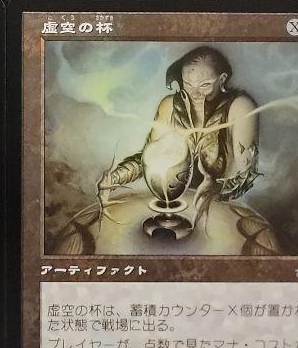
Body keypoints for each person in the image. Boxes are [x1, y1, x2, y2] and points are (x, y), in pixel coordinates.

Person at [97, 46, 263, 229]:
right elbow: (149, 159)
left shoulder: (240, 107)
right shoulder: (170, 106)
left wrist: (217, 188)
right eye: (188, 84)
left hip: (222, 213)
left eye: (205, 85)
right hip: (176, 209)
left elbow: (246, 174)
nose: (195, 93)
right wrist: (115, 178)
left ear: (222, 79)